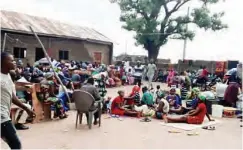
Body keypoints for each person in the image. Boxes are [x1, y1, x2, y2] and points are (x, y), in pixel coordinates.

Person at [1, 52, 35, 149]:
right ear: (2, 62)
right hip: (2, 118)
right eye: (11, 60)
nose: (14, 62)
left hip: (4, 115)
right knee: (15, 144)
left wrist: (26, 108)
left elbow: (11, 95)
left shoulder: (7, 75)